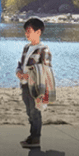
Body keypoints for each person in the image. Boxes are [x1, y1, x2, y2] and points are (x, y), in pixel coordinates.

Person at [16, 18, 51, 148]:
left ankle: (36, 138)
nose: (27, 34)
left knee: (35, 111)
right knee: (29, 111)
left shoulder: (44, 50)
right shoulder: (26, 48)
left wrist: (30, 75)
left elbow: (45, 70)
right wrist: (18, 72)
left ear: (38, 32)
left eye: (29, 31)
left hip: (36, 87)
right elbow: (21, 64)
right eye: (26, 31)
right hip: (24, 84)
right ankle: (31, 136)